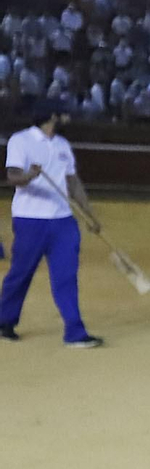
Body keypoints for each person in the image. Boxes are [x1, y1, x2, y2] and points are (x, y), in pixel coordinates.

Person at [2, 105, 104, 346]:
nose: (68, 118)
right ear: (52, 116)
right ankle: (4, 320)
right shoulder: (21, 140)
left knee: (66, 276)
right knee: (21, 273)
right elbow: (13, 177)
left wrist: (90, 215)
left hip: (63, 220)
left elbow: (73, 182)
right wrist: (30, 176)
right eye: (64, 114)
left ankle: (74, 331)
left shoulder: (62, 145)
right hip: (30, 219)